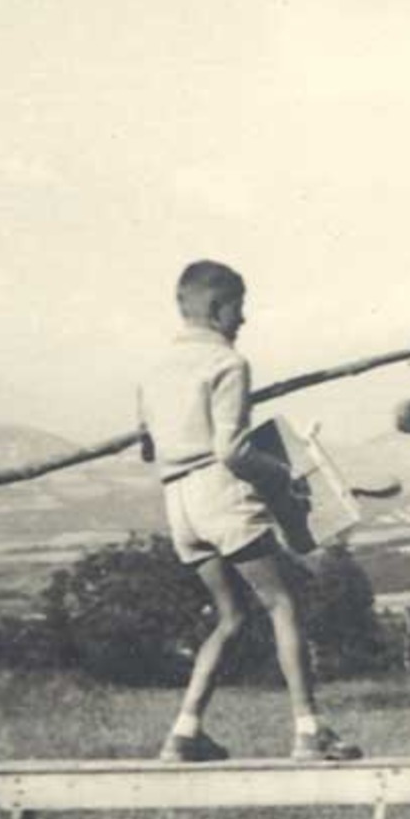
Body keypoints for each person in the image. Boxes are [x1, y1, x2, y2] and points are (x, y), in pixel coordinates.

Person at [137, 259, 361, 763]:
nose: (245, 319)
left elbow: (148, 447)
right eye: (240, 307)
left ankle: (183, 734)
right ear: (218, 308)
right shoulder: (229, 365)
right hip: (222, 498)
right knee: (284, 602)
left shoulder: (152, 371)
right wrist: (283, 476)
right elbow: (233, 451)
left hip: (179, 506)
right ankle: (309, 733)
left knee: (231, 617)